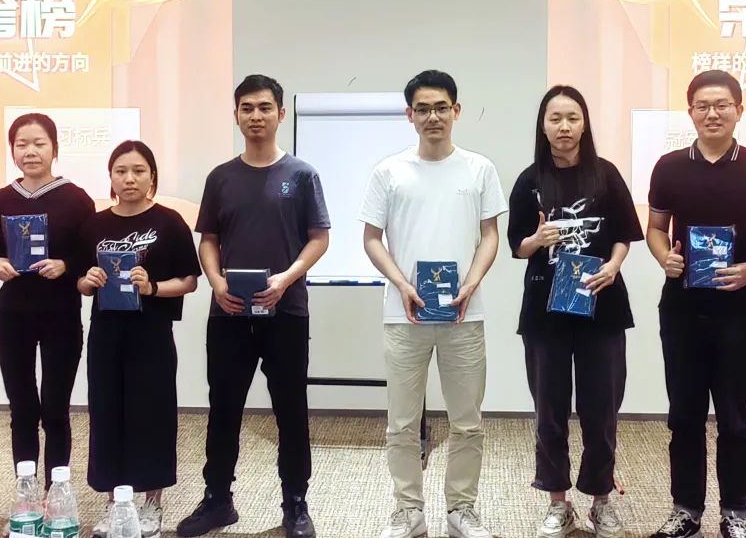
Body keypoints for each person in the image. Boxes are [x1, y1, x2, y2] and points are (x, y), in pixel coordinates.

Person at [177, 74, 330, 538]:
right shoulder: (221, 177)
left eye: (265, 108)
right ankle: (217, 501)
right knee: (223, 408)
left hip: (286, 310)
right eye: (247, 108)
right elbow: (208, 239)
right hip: (228, 313)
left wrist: (286, 278)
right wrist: (216, 281)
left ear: (280, 114)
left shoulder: (301, 175)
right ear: (236, 115)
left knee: (291, 410)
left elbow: (319, 238)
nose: (256, 116)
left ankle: (295, 504)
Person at [360, 70, 507, 538]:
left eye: (441, 107)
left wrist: (472, 281)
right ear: (410, 115)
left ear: (456, 111)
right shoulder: (389, 171)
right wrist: (401, 283)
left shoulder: (479, 169)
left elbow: (490, 234)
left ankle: (461, 510)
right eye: (422, 109)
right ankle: (409, 511)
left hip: (465, 314)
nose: (433, 116)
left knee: (467, 422)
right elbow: (371, 238)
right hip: (404, 315)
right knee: (402, 423)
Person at [507, 85, 643, 538]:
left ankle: (601, 500)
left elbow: (625, 234)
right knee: (549, 410)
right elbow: (517, 246)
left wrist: (613, 266)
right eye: (555, 119)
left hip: (601, 306)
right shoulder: (529, 180)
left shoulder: (606, 175)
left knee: (601, 409)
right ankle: (557, 503)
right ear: (543, 126)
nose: (564, 127)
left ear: (584, 124)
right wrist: (537, 240)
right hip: (545, 312)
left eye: (572, 118)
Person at [645, 70, 746, 538]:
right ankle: (686, 509)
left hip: (739, 310)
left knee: (735, 419)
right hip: (682, 309)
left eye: (721, 105)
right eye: (702, 105)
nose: (712, 113)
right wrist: (665, 258)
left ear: (739, 110)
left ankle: (735, 511)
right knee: (684, 416)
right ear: (691, 111)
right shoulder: (669, 166)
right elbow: (656, 228)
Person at [76, 140, 201, 538]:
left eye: (138, 170)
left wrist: (152, 287)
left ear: (152, 176)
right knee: (107, 413)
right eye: (121, 171)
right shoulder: (94, 225)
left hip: (151, 335)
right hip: (106, 334)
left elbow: (190, 281)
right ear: (110, 177)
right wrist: (88, 280)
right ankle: (115, 502)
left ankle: (151, 503)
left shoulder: (169, 222)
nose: (129, 178)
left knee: (152, 415)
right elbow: (79, 281)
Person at [0, 113, 95, 494]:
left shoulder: (77, 199)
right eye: (21, 144)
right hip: (13, 315)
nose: (30, 152)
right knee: (21, 407)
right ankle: (26, 489)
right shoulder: (1, 198)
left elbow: (90, 255)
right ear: (12, 150)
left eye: (39, 143)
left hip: (61, 314)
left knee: (55, 408)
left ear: (54, 148)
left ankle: (56, 491)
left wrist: (66, 265)